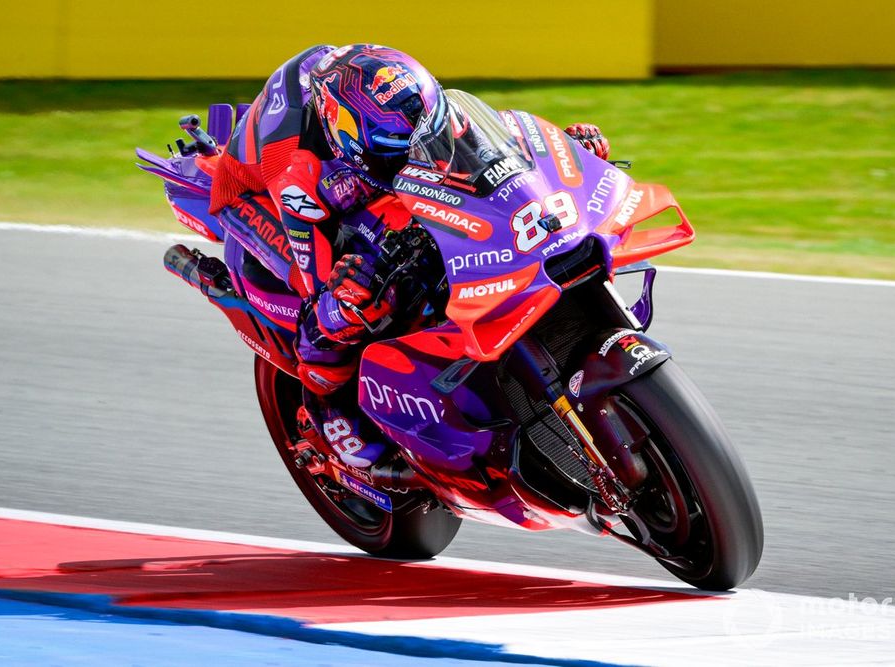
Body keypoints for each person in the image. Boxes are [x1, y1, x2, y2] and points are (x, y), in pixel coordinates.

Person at [209, 43, 611, 470]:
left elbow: (491, 144)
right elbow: (319, 281)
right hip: (254, 199)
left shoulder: (407, 95)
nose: (409, 155)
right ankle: (331, 417)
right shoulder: (297, 174)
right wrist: (342, 290)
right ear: (351, 144)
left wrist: (565, 151)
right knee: (343, 303)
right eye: (394, 151)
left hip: (348, 134)